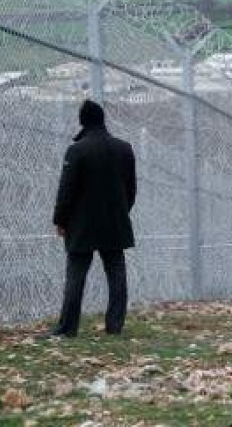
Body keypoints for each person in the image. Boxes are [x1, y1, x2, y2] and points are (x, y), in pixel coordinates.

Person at [49, 99, 136, 337]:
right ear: (102, 119)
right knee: (117, 275)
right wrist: (120, 212)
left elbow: (66, 190)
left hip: (81, 225)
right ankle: (114, 326)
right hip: (114, 222)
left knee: (76, 276)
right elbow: (131, 190)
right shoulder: (124, 148)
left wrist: (60, 219)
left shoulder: (77, 150)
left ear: (82, 121)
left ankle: (68, 328)